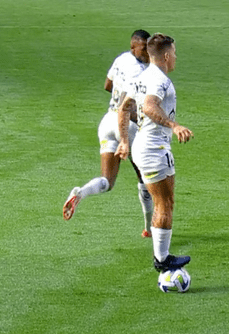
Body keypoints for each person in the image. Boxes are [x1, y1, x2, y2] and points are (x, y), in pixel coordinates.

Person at [63, 30, 154, 239]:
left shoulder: (121, 58)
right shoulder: (140, 72)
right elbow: (127, 104)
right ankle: (148, 228)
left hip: (107, 121)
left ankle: (80, 192)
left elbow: (107, 85)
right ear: (134, 46)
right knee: (144, 177)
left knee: (107, 181)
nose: (148, 53)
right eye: (144, 48)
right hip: (126, 124)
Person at [116, 33, 193, 272]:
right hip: (154, 149)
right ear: (167, 56)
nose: (176, 58)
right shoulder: (160, 80)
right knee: (165, 204)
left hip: (141, 146)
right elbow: (149, 105)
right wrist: (174, 125)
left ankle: (162, 256)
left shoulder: (141, 76)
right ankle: (162, 259)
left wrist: (125, 142)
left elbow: (123, 108)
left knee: (163, 202)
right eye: (175, 53)